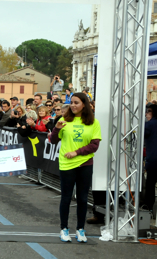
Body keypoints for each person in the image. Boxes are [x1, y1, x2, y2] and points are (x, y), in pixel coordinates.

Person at [50, 93, 102, 243]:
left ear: (84, 104)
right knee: (66, 198)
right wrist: (56, 129)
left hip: (85, 164)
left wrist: (77, 152)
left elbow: (94, 145)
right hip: (67, 165)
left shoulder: (93, 122)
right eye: (71, 103)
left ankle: (80, 229)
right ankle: (64, 229)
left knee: (83, 198)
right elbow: (53, 141)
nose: (73, 105)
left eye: (76, 103)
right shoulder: (63, 120)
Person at [143, 104, 157, 218]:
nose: (146, 114)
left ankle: (148, 209)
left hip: (153, 160)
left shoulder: (149, 125)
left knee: (150, 186)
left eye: (149, 111)